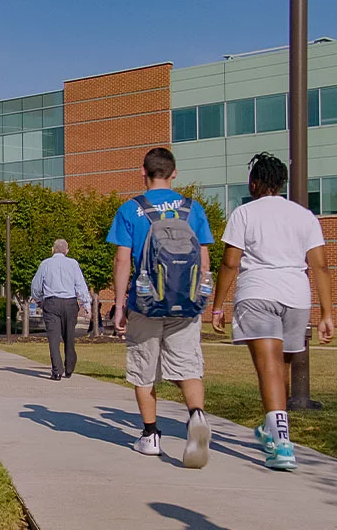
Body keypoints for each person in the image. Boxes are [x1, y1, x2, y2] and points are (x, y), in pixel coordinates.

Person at [211, 152, 335, 471]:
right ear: (280, 183)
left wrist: (217, 305)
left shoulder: (244, 213)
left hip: (257, 293)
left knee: (270, 370)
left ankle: (281, 444)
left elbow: (230, 262)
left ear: (254, 182)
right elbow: (319, 264)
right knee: (280, 370)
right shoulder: (304, 215)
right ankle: (273, 430)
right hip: (296, 296)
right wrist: (327, 313)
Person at [108, 147, 214, 468]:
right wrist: (202, 297)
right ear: (174, 173)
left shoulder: (130, 210)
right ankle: (196, 416)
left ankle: (151, 436)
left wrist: (118, 305)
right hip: (185, 303)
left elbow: (122, 259)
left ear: (143, 172)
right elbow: (205, 258)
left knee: (144, 370)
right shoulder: (192, 209)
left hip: (145, 302)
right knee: (188, 367)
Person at [31, 239, 91, 381]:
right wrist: (86, 304)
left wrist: (38, 299)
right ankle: (69, 367)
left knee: (54, 337)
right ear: (67, 250)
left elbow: (36, 285)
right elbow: (80, 285)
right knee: (69, 336)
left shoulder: (45, 264)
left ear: (53, 250)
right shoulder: (73, 264)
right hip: (70, 302)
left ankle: (57, 370)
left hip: (52, 302)